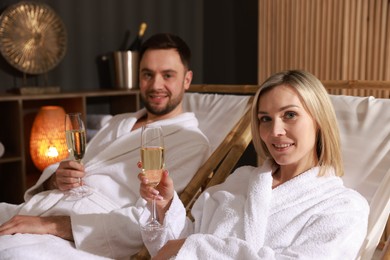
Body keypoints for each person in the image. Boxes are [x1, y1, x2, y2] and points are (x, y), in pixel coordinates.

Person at [0, 33, 210, 259]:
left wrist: (54, 225)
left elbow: (150, 218)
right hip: (47, 208)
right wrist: (57, 178)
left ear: (187, 80)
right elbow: (82, 165)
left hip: (87, 233)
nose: (155, 85)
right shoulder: (120, 121)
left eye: (167, 75)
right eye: (147, 74)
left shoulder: (191, 142)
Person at [139, 70, 369, 259]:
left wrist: (193, 248)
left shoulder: (344, 207)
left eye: (290, 115)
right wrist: (165, 205)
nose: (275, 132)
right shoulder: (240, 180)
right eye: (265, 119)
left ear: (319, 120)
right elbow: (176, 246)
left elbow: (187, 248)